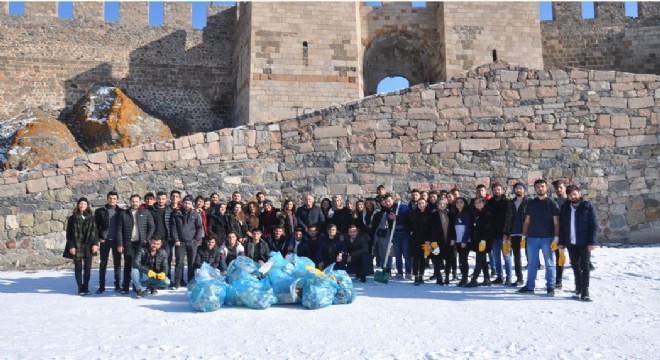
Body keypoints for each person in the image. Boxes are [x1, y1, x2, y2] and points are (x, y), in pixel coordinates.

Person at [518, 179, 560, 296]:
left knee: (549, 263)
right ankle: (530, 286)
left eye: (542, 186)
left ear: (546, 188)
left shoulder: (552, 203)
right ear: (535, 188)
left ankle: (550, 286)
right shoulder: (531, 203)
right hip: (532, 238)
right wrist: (523, 236)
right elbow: (527, 221)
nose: (540, 189)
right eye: (538, 187)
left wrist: (556, 238)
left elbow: (556, 222)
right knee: (532, 263)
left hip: (548, 238)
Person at [559, 185, 599, 302]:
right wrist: (562, 242)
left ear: (579, 194)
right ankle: (578, 289)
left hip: (584, 242)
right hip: (571, 242)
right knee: (575, 265)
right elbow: (562, 226)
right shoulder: (565, 207)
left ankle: (585, 291)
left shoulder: (587, 206)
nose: (573, 197)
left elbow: (594, 225)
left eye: (575, 194)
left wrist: (592, 242)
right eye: (570, 195)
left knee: (585, 266)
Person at [117, 194, 155, 294]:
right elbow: (119, 230)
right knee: (128, 264)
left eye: (136, 201)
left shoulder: (145, 212)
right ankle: (125, 286)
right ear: (130, 202)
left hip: (141, 243)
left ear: (140, 202)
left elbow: (152, 227)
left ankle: (137, 285)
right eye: (133, 201)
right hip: (128, 243)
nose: (135, 203)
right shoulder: (124, 213)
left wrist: (147, 239)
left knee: (140, 265)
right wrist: (120, 244)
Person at [64, 197, 98, 295]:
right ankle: (80, 287)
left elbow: (96, 232)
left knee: (87, 268)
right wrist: (71, 246)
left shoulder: (92, 217)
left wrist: (95, 244)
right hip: (77, 245)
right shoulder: (72, 218)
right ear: (78, 205)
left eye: (84, 204)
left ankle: (86, 287)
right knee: (78, 268)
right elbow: (68, 234)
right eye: (81, 203)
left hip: (89, 245)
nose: (82, 205)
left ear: (87, 206)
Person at [171, 195, 204, 288]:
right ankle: (177, 282)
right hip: (180, 242)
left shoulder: (196, 214)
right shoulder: (177, 214)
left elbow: (199, 227)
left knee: (192, 263)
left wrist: (197, 239)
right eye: (185, 203)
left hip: (192, 242)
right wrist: (176, 239)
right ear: (182, 203)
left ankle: (190, 282)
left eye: (189, 203)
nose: (187, 205)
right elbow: (174, 228)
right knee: (179, 262)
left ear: (192, 204)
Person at [94, 191, 122, 294]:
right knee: (103, 263)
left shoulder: (121, 211)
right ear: (107, 199)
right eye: (110, 198)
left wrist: (121, 241)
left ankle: (117, 285)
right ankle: (101, 286)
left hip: (116, 241)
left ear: (117, 199)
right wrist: (99, 238)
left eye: (114, 198)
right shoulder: (100, 211)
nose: (112, 200)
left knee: (117, 264)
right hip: (105, 241)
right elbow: (96, 227)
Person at [503, 182, 529, 286]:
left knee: (530, 258)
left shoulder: (529, 202)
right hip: (514, 233)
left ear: (524, 190)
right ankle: (519, 278)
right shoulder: (511, 203)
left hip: (527, 233)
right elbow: (507, 219)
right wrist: (506, 232)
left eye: (520, 188)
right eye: (517, 188)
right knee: (516, 257)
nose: (518, 190)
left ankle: (531, 281)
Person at [487, 182, 512, 285]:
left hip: (504, 234)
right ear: (492, 191)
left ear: (502, 190)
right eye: (494, 189)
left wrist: (506, 232)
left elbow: (509, 218)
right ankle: (499, 277)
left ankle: (509, 277)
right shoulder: (489, 203)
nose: (496, 191)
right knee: (496, 257)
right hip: (494, 234)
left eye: (498, 189)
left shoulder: (507, 202)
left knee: (506, 256)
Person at [466, 198, 492, 287]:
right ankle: (487, 278)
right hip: (478, 240)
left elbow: (488, 227)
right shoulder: (477, 213)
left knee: (479, 259)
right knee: (483, 260)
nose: (477, 204)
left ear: (484, 203)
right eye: (476, 203)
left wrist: (484, 240)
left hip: (484, 240)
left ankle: (474, 279)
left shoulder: (487, 213)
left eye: (480, 202)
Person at [430, 198, 456, 285]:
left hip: (448, 240)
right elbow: (431, 229)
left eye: (444, 203)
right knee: (437, 260)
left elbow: (453, 228)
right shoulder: (433, 215)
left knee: (448, 260)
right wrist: (432, 242)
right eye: (440, 203)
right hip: (437, 241)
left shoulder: (451, 215)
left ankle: (447, 276)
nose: (442, 205)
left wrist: (453, 238)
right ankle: (438, 277)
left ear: (446, 204)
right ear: (437, 205)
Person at [406, 198, 432, 285]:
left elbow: (432, 226)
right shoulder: (413, 213)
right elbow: (408, 223)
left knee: (424, 258)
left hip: (427, 239)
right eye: (419, 203)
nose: (421, 205)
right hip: (416, 239)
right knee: (416, 258)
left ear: (426, 204)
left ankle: (421, 275)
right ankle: (416, 276)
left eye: (423, 203)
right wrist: (410, 231)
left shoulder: (430, 214)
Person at [552, 179, 568, 289]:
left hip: (570, 233)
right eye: (557, 188)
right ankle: (558, 281)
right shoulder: (554, 202)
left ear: (565, 188)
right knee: (559, 257)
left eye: (560, 187)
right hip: (558, 234)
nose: (559, 190)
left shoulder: (570, 201)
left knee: (577, 260)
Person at [453, 197, 472, 286]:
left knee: (464, 260)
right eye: (457, 202)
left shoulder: (466, 214)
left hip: (465, 241)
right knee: (460, 260)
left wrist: (464, 240)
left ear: (464, 204)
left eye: (461, 202)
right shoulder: (456, 214)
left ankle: (465, 278)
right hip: (457, 241)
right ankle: (463, 278)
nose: (459, 204)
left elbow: (468, 228)